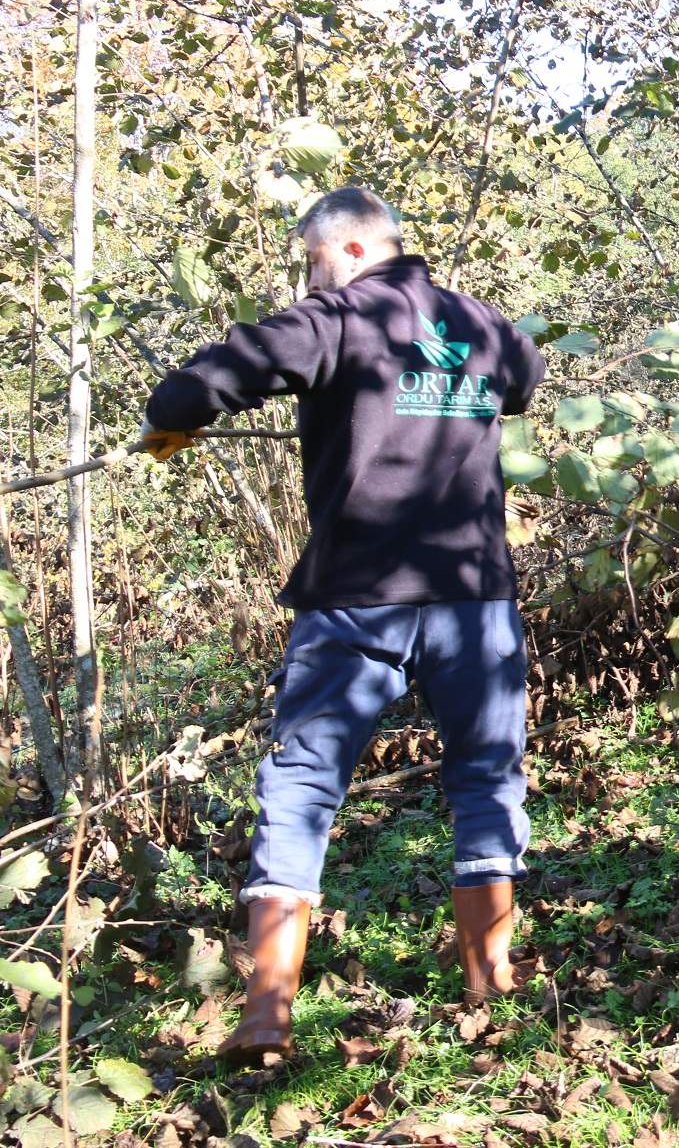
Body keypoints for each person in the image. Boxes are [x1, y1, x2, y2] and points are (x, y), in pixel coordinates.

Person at [140, 186, 548, 1064]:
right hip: (474, 600)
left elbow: (199, 386)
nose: (308, 275)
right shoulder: (481, 323)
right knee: (486, 779)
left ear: (351, 250)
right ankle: (492, 984)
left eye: (312, 259)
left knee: (303, 789)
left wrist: (171, 423)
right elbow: (523, 379)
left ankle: (266, 1015)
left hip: (356, 599)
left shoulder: (333, 316)